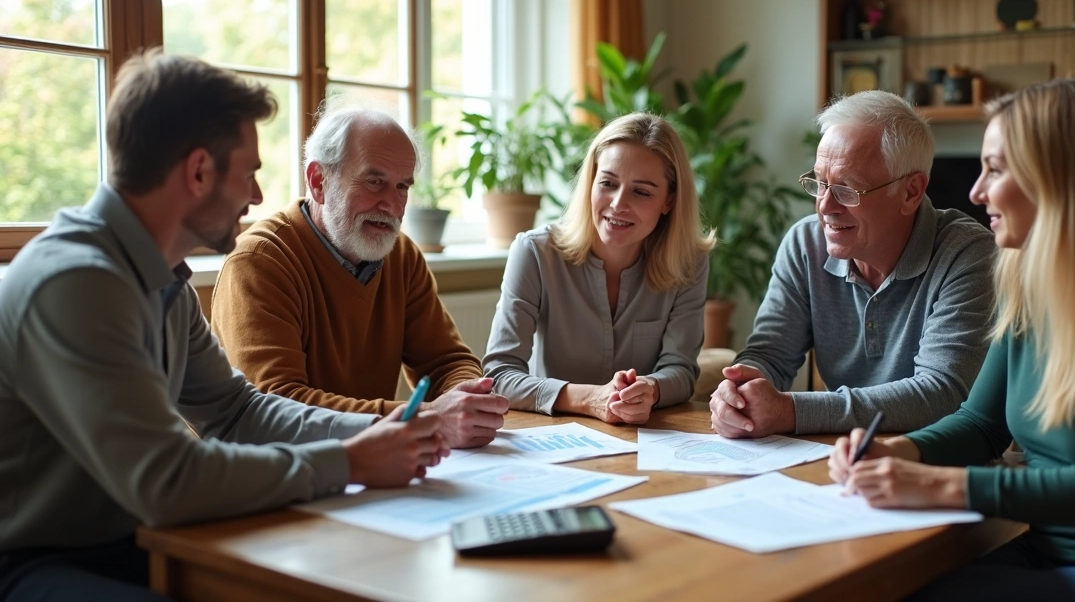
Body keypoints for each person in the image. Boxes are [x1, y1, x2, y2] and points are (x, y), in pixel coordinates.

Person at [0, 51, 447, 601]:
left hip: (135, 540)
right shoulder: (76, 284)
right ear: (197, 172)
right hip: (35, 563)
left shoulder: (163, 280)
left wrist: (375, 434)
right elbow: (168, 479)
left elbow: (237, 411)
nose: (257, 196)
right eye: (250, 173)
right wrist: (350, 460)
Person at [829, 79, 1075, 601]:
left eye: (996, 168)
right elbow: (980, 424)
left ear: (1060, 178)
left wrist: (942, 485)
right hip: (1046, 553)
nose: (975, 191)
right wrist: (900, 450)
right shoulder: (1029, 286)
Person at [210, 104, 508, 449]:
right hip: (274, 478)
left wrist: (467, 397)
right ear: (318, 181)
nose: (392, 206)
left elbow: (446, 361)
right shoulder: (260, 262)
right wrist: (425, 419)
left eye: (402, 187)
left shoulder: (401, 255)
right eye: (374, 182)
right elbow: (277, 406)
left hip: (369, 471)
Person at [710, 90, 996, 437]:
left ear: (910, 192)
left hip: (934, 464)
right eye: (820, 182)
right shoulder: (805, 244)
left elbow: (941, 393)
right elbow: (769, 355)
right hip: (845, 456)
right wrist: (740, 392)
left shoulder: (968, 254)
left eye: (848, 189)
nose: (825, 206)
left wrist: (791, 411)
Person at [483, 112, 714, 424]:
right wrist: (590, 399)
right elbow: (499, 375)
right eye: (607, 183)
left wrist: (651, 389)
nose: (618, 203)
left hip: (644, 438)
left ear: (669, 201)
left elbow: (681, 369)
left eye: (641, 191)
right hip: (551, 437)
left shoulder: (689, 263)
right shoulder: (535, 252)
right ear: (590, 182)